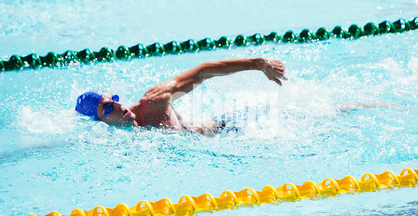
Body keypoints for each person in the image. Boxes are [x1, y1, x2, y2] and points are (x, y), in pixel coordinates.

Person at [75, 57, 288, 135]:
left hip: (232, 127)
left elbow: (203, 71)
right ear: (99, 122)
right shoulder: (117, 140)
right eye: (108, 107)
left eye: (113, 99)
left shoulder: (153, 101)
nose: (118, 105)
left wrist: (258, 65)